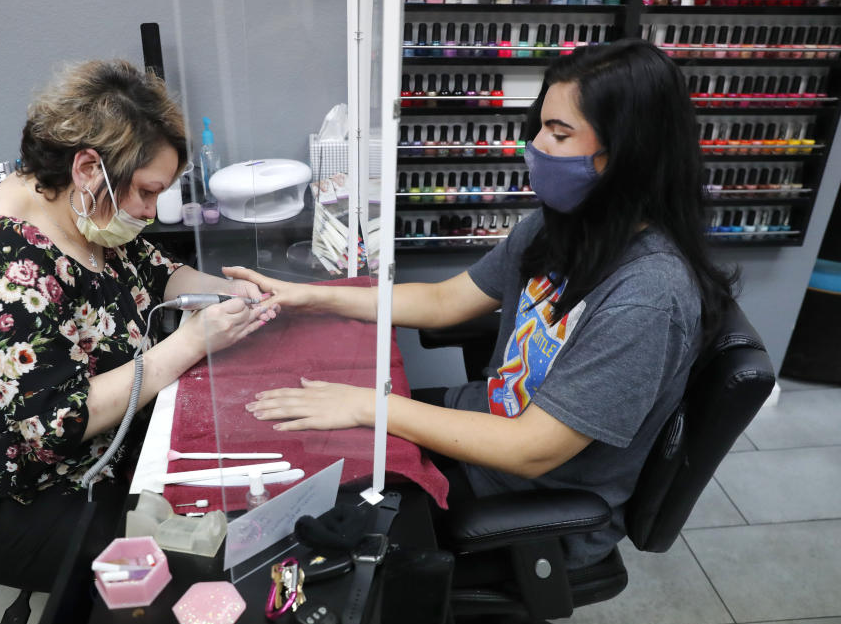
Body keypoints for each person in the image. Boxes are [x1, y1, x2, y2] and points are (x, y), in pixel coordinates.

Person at [226, 39, 738, 570]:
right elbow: (446, 299)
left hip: (529, 505)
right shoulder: (562, 226)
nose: (534, 145)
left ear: (627, 155)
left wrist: (366, 405)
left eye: (559, 134)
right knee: (315, 444)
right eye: (540, 125)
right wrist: (312, 297)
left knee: (328, 526)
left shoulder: (648, 298)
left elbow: (532, 448)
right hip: (483, 429)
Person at [0, 59, 274, 591]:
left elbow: (159, 272)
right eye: (146, 191)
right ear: (89, 167)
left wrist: (228, 292)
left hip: (104, 441)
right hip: (9, 493)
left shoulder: (87, 210)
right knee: (191, 565)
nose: (151, 209)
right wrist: (190, 344)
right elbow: (42, 426)